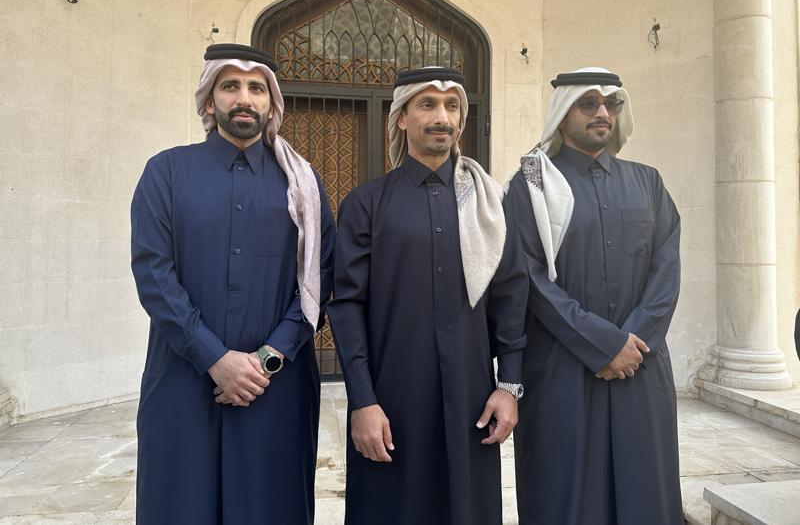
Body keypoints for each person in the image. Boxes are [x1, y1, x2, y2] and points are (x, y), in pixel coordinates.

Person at [130, 43, 334, 524]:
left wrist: (265, 359)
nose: (244, 98)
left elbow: (320, 278)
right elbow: (154, 274)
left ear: (272, 103)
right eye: (231, 87)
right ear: (209, 100)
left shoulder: (303, 184)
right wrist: (215, 359)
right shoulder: (166, 172)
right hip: (183, 381)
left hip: (276, 387)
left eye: (256, 88)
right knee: (180, 507)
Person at [328, 67, 528, 525]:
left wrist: (509, 387)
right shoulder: (367, 204)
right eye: (428, 105)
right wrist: (363, 401)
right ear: (401, 118)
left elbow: (511, 296)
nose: (443, 117)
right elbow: (348, 307)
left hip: (473, 401)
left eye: (452, 106)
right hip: (392, 402)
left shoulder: (490, 206)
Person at [507, 67, 682, 525]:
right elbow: (529, 279)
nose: (602, 112)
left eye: (611, 104)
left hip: (640, 367)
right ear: (563, 112)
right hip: (561, 370)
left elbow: (666, 272)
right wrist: (604, 345)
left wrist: (631, 343)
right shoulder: (531, 186)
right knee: (565, 499)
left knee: (645, 496)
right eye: (588, 103)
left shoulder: (648, 182)